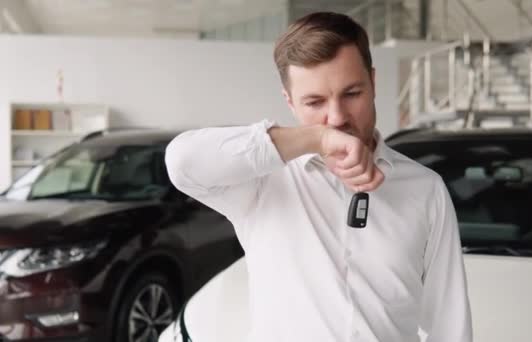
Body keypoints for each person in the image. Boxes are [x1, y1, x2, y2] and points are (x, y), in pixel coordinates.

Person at [165, 11, 472, 342]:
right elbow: (182, 161)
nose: (337, 117)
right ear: (290, 102)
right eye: (315, 102)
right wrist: (318, 139)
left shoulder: (425, 190)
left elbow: (449, 325)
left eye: (352, 93)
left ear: (373, 82)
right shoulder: (262, 182)